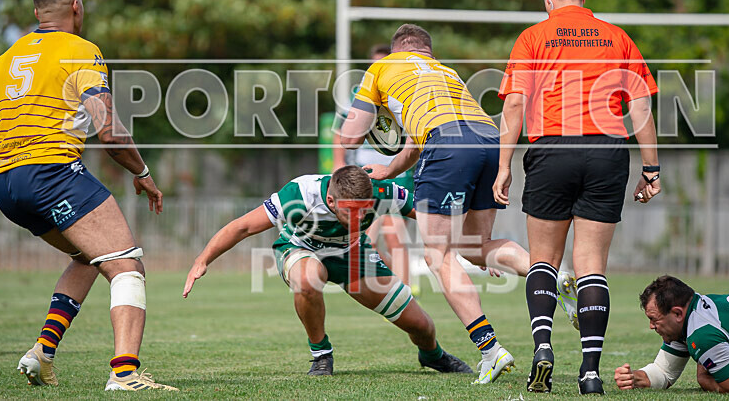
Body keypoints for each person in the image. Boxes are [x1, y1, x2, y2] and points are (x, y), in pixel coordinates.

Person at [0, 0, 175, 391]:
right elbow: (109, 132)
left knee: (89, 257)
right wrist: (142, 173)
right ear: (76, 7)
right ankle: (124, 373)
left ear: (36, 12)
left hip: (4, 183)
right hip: (52, 173)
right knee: (127, 264)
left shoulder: (1, 62)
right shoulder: (81, 51)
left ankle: (42, 352)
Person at [340, 23, 557, 384]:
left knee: (437, 255)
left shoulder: (380, 68)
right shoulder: (445, 72)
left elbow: (350, 136)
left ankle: (490, 349)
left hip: (446, 145)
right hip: (490, 141)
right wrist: (390, 170)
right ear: (427, 51)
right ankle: (555, 276)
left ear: (396, 50)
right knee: (476, 246)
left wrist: (378, 114)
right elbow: (416, 143)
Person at [492, 0, 661, 394]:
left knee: (544, 261)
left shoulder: (533, 37)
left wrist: (503, 165)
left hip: (552, 150)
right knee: (591, 267)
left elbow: (514, 104)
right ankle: (590, 372)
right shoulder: (617, 37)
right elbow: (640, 106)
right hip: (607, 152)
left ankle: (543, 348)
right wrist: (651, 169)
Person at [183, 166, 472, 377]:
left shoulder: (382, 192)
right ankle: (321, 354)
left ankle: (433, 356)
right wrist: (202, 259)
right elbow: (243, 227)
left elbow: (431, 217)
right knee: (307, 279)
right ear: (331, 201)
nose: (359, 217)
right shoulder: (300, 194)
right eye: (351, 211)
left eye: (364, 210)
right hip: (301, 248)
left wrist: (474, 250)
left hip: (353, 253)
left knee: (421, 325)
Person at [614, 275, 729, 394]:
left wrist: (705, 379)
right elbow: (663, 372)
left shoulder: (701, 334)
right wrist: (634, 378)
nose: (651, 326)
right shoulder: (691, 316)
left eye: (654, 319)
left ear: (677, 313)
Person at [333, 44, 416, 290]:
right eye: (375, 63)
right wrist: (339, 162)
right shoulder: (359, 92)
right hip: (365, 170)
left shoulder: (403, 91)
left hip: (398, 170)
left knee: (394, 231)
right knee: (368, 234)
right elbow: (340, 130)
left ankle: (404, 289)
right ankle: (392, 281)